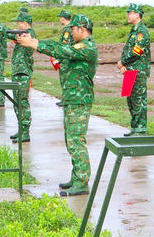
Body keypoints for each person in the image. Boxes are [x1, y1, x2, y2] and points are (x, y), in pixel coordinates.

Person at [18, 14, 96, 196]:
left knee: (76, 141)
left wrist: (34, 44)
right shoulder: (78, 46)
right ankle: (77, 177)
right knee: (71, 140)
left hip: (79, 100)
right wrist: (34, 42)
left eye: (73, 29)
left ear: (81, 30)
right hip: (72, 98)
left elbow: (62, 50)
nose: (70, 33)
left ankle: (82, 182)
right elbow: (61, 48)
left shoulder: (88, 47)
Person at [119, 3, 151, 135]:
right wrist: (123, 65)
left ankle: (141, 128)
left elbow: (136, 51)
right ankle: (134, 127)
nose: (128, 15)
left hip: (138, 70)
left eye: (130, 13)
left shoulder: (142, 31)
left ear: (137, 15)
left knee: (138, 99)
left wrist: (122, 62)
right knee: (130, 99)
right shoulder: (133, 30)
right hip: (129, 70)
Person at [4, 10, 35, 143]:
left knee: (22, 102)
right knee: (17, 103)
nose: (17, 25)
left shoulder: (29, 34)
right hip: (17, 72)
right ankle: (21, 129)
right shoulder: (22, 34)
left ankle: (26, 132)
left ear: (25, 23)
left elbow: (7, 32)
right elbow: (8, 33)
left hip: (23, 73)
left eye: (19, 22)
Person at [55, 9, 74, 107]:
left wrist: (59, 57)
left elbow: (65, 44)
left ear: (63, 18)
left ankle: (66, 100)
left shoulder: (67, 29)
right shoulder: (72, 27)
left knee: (65, 79)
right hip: (69, 57)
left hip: (65, 58)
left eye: (60, 18)